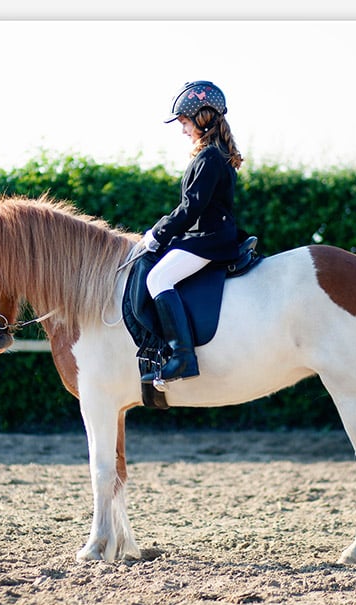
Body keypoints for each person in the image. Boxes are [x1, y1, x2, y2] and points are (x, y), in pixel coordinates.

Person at [139, 80, 245, 384]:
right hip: (207, 237)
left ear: (202, 118)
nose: (183, 130)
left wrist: (158, 233)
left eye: (185, 122)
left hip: (209, 241)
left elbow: (191, 208)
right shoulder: (214, 154)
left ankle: (182, 355)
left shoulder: (209, 157)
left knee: (158, 278)